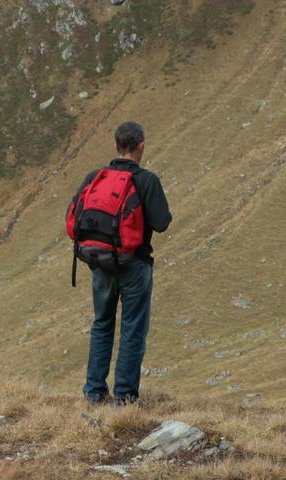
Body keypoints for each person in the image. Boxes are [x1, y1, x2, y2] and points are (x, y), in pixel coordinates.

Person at [71, 121, 172, 405]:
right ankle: (125, 397)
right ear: (142, 146)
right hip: (135, 265)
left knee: (102, 325)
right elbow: (162, 222)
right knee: (132, 330)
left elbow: (75, 214)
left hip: (100, 262)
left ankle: (94, 392)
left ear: (116, 145)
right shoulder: (146, 180)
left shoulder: (96, 177)